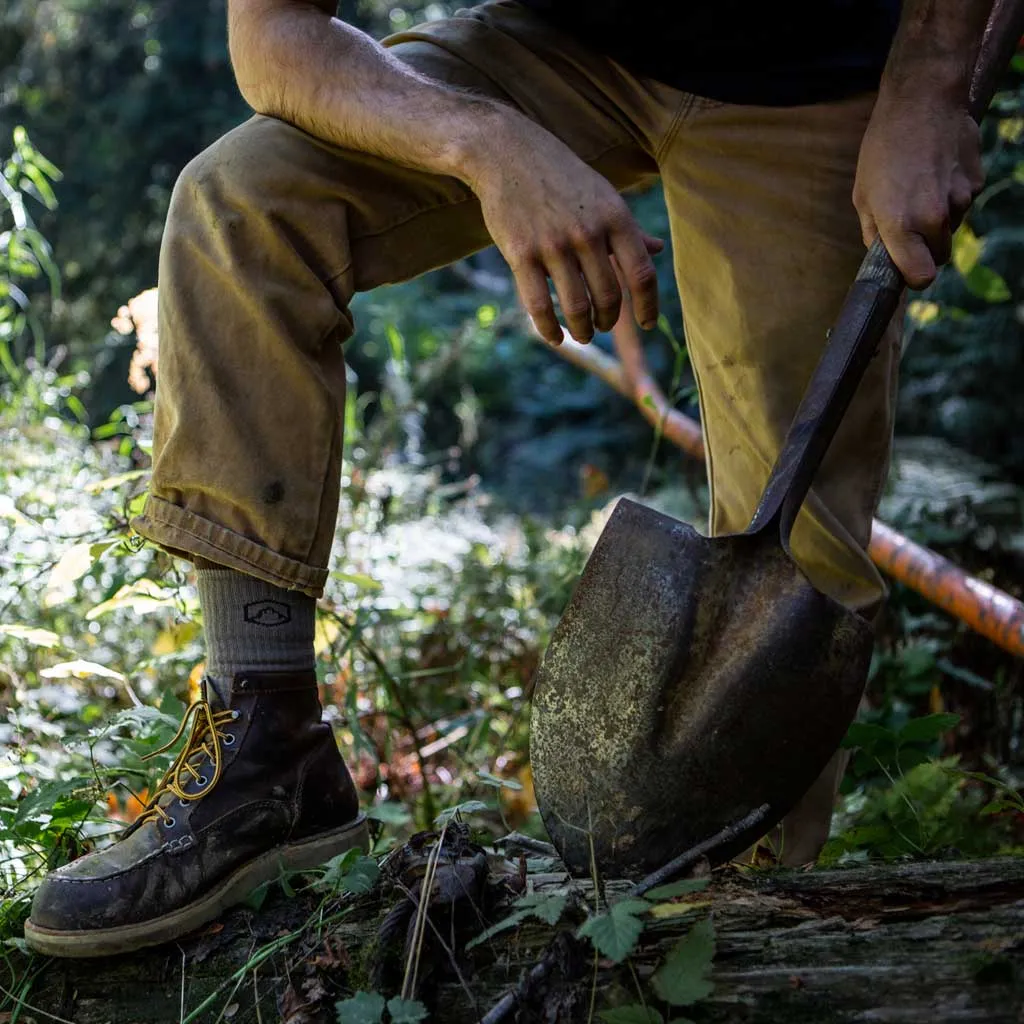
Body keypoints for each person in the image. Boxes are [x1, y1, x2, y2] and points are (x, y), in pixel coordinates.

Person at [24, 0, 989, 957]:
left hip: (809, 76)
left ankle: (741, 935)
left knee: (796, 559)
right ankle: (269, 763)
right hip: (560, 50)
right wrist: (486, 145)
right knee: (242, 203)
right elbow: (274, 34)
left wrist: (931, 87)